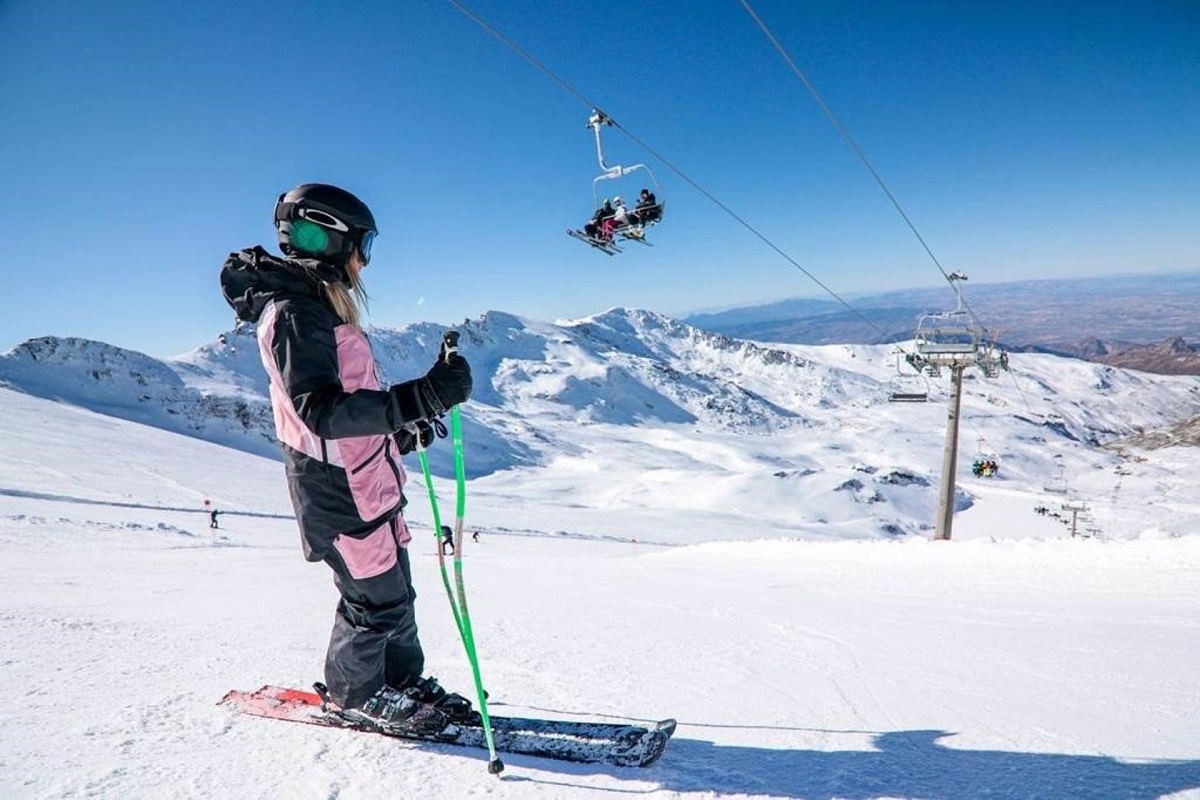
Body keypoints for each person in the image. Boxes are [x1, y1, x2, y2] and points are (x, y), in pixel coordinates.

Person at [219, 183, 474, 734]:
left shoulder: (317, 308)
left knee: (396, 595)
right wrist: (421, 397)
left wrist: (402, 435)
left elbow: (348, 412)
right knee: (372, 602)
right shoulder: (294, 315)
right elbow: (320, 413)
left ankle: (398, 681)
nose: (365, 258)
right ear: (332, 239)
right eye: (363, 243)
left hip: (369, 482)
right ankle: (354, 693)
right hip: (337, 495)